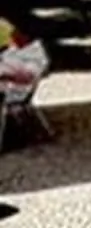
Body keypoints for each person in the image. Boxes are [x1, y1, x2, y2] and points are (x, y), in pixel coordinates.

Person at [0, 18, 45, 148]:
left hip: (16, 91)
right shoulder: (13, 51)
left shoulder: (34, 54)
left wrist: (6, 73)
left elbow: (27, 76)